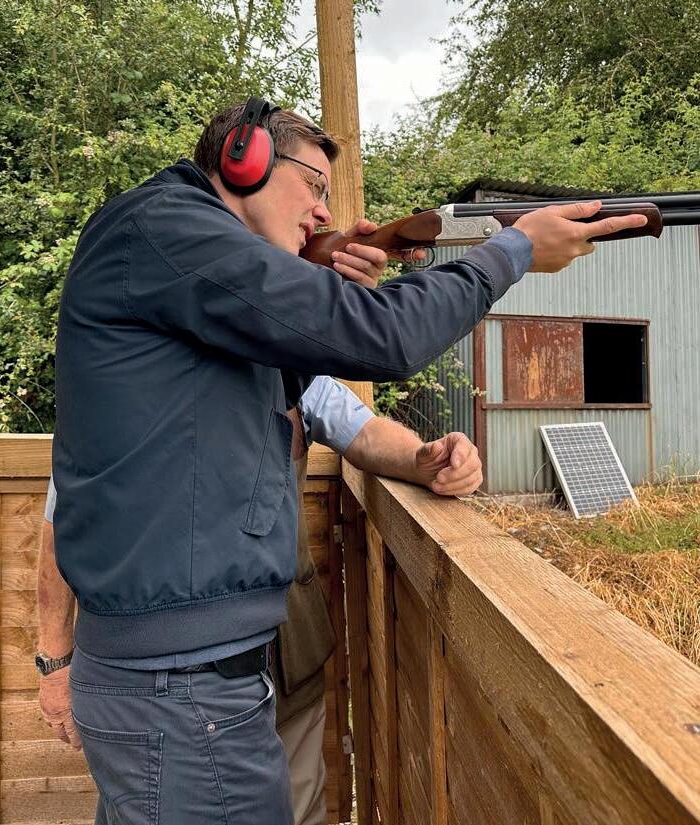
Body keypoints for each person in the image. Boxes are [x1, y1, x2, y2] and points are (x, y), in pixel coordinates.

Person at [48, 97, 647, 824]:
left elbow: (291, 388)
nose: (323, 212)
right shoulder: (167, 228)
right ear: (244, 161)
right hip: (179, 687)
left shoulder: (178, 252)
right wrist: (511, 250)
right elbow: (385, 338)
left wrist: (328, 285)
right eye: (313, 186)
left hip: (187, 680)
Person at [38, 375, 483, 825]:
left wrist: (420, 460)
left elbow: (364, 431)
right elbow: (62, 526)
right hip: (157, 683)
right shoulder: (118, 378)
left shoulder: (289, 363)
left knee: (298, 806)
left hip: (285, 661)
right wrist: (54, 663)